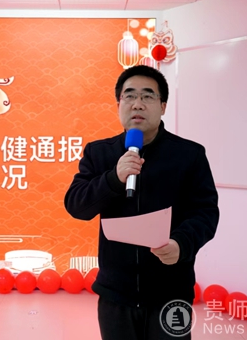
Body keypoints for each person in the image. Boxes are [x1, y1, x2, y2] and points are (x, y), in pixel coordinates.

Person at [64, 65, 219, 340]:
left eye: (147, 96)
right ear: (119, 105)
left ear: (162, 106)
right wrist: (114, 178)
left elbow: (205, 213)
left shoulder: (189, 155)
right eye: (129, 96)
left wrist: (181, 244)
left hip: (171, 292)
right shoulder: (99, 153)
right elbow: (76, 205)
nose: (137, 104)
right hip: (115, 294)